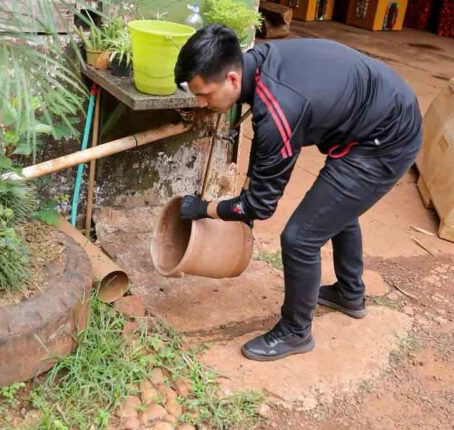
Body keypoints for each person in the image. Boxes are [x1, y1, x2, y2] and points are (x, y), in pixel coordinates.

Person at [174, 25, 422, 362]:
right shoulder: (258, 63)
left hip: (386, 140)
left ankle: (295, 332)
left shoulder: (278, 110)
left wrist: (205, 209)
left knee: (300, 237)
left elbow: (259, 206)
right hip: (382, 110)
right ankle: (349, 293)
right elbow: (262, 171)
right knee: (334, 209)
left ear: (232, 79)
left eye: (204, 94)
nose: (201, 103)